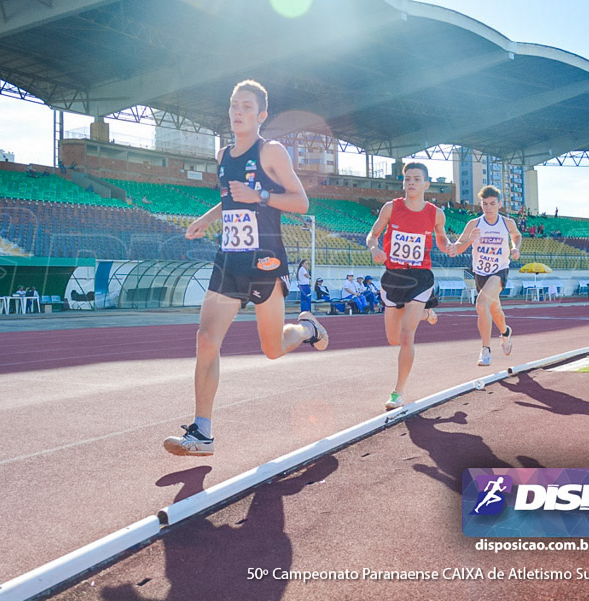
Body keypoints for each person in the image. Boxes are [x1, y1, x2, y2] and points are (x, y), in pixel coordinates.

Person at [164, 80, 327, 457]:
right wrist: (205, 219)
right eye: (234, 105)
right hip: (229, 258)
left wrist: (262, 196)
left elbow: (301, 202)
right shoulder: (223, 156)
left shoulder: (271, 152)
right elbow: (229, 199)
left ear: (261, 114)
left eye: (247, 107)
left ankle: (307, 328)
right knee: (206, 339)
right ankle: (202, 432)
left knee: (271, 348)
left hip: (265, 260)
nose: (238, 112)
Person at [366, 162, 453, 410]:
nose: (411, 183)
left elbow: (441, 237)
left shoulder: (436, 213)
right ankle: (425, 312)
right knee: (393, 338)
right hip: (393, 277)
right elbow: (372, 235)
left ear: (426, 184)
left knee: (406, 336)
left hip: (420, 278)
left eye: (416, 179)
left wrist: (449, 246)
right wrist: (374, 247)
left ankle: (398, 391)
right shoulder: (391, 208)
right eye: (407, 179)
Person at [452, 185, 521, 367]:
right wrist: (469, 240)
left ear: (499, 204)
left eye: (492, 204)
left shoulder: (507, 223)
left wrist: (515, 248)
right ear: (481, 205)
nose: (488, 208)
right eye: (485, 204)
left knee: (482, 305)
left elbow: (517, 235)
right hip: (481, 273)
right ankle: (505, 334)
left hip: (499, 271)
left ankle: (485, 350)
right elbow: (458, 248)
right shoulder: (474, 224)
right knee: (494, 309)